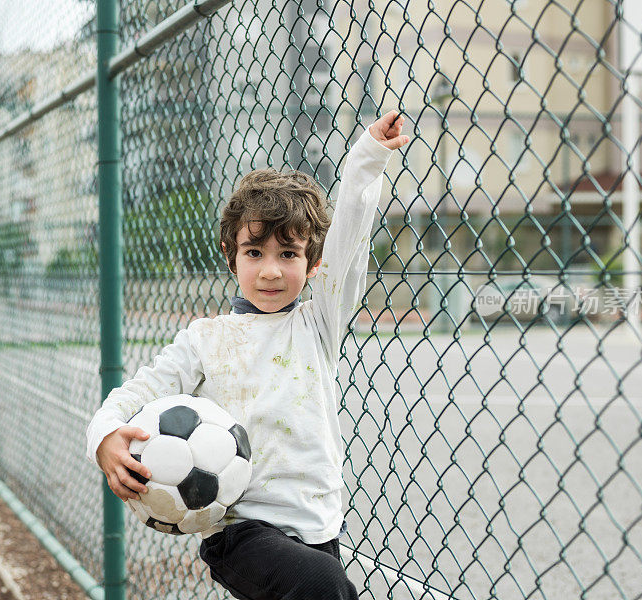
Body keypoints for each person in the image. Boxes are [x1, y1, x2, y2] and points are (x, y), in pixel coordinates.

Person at [86, 110, 409, 599]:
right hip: (241, 531)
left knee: (322, 579)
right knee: (324, 587)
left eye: (289, 254)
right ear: (229, 255)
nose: (271, 271)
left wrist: (366, 159)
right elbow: (138, 392)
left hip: (318, 528)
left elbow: (351, 241)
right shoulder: (204, 339)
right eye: (254, 253)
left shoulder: (317, 323)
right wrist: (105, 436)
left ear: (314, 263)